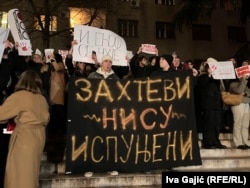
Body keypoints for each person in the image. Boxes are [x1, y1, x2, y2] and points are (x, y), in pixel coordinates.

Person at [0, 70, 50, 188]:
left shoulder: (19, 96)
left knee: (18, 175)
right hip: (39, 138)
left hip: (24, 138)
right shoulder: (42, 99)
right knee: (30, 174)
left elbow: (1, 114)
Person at [86, 55, 119, 177]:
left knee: (109, 140)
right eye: (106, 61)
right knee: (93, 139)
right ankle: (90, 167)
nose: (108, 63)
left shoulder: (115, 78)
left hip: (110, 114)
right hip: (95, 113)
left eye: (110, 61)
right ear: (101, 63)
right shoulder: (92, 76)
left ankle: (110, 167)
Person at [197, 61, 227, 149]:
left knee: (217, 124)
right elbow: (203, 84)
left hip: (217, 104)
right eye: (210, 68)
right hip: (208, 105)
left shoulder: (216, 78)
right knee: (209, 124)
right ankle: (208, 142)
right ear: (207, 69)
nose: (212, 70)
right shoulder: (202, 77)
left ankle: (216, 141)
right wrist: (209, 75)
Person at [229, 60, 250, 150]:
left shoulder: (246, 85)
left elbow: (248, 93)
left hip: (246, 104)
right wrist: (244, 80)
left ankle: (245, 141)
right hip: (238, 104)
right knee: (238, 123)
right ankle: (238, 142)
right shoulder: (233, 84)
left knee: (245, 124)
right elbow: (239, 91)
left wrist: (245, 93)